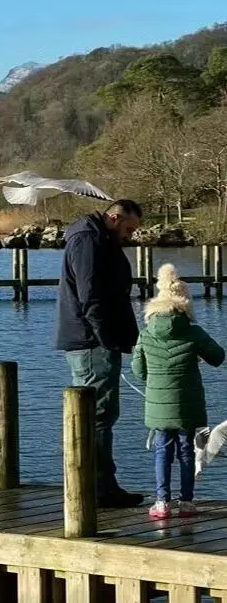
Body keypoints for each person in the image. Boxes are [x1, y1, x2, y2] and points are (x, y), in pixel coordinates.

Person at [55, 199, 143, 508]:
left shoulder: (97, 237)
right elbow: (89, 294)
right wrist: (106, 338)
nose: (130, 236)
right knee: (99, 414)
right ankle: (100, 488)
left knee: (98, 414)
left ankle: (98, 484)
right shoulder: (88, 240)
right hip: (90, 340)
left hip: (95, 339)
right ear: (114, 217)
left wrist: (128, 340)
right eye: (129, 229)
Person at [131, 263, 225, 519]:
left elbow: (138, 369)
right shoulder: (193, 332)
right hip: (187, 401)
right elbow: (218, 357)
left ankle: (161, 502)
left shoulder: (146, 334)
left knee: (162, 449)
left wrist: (156, 381)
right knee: (186, 450)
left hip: (158, 400)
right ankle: (186, 503)